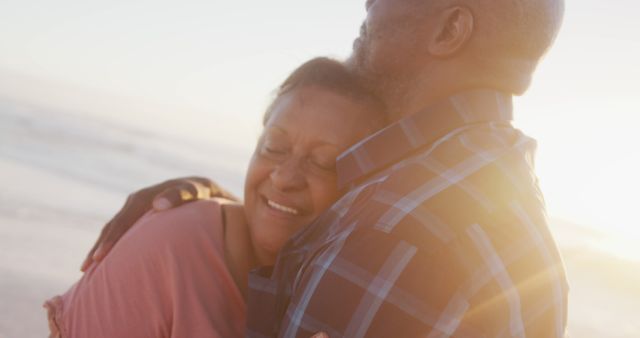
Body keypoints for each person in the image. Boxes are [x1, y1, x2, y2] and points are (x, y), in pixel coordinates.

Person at [84, 0, 570, 336]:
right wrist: (226, 218)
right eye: (274, 148)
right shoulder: (513, 199)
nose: (368, 5)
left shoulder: (391, 228)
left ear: (449, 30)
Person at [44, 58, 387, 338]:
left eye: (322, 162)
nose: (284, 177)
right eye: (274, 148)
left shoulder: (347, 290)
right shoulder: (170, 245)